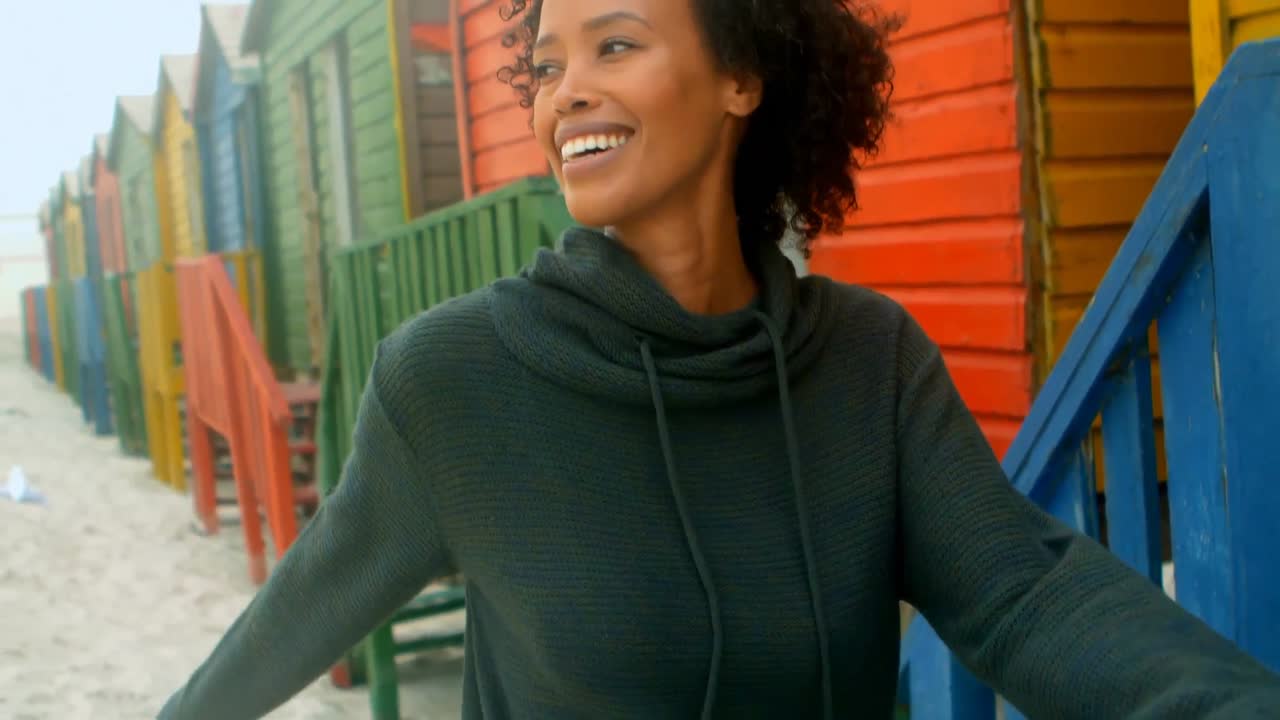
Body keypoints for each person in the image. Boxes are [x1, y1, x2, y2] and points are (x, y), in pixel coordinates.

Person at [159, 0, 1280, 717]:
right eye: (546, 66)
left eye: (615, 44)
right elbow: (295, 617)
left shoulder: (866, 362)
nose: (565, 93)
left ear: (740, 76)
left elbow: (1022, 594)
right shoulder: (451, 381)